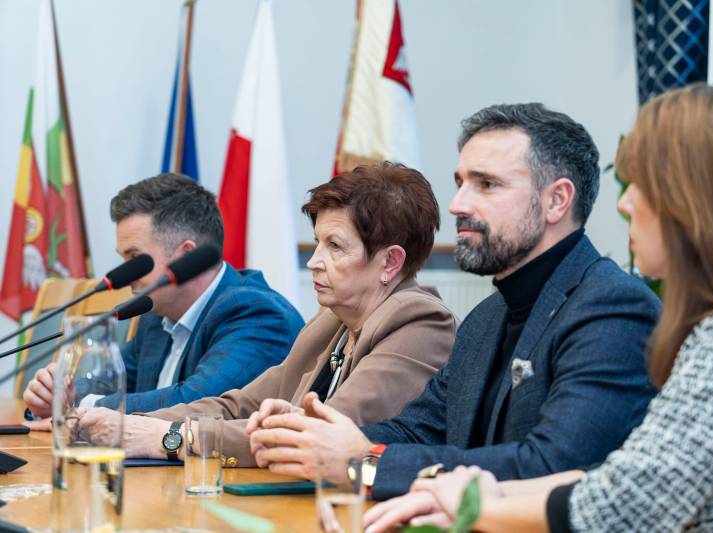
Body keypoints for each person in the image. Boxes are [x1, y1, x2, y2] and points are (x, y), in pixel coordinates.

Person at [363, 85, 713, 532]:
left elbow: (623, 503)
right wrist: (359, 462)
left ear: (702, 202)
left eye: (643, 185)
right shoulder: (486, 318)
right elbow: (606, 477)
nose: (624, 203)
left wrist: (466, 501)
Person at [248, 103, 661, 499]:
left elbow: (551, 466)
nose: (457, 204)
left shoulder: (612, 308)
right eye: (460, 182)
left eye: (487, 184)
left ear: (556, 200)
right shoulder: (487, 317)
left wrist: (364, 463)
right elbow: (418, 430)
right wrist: (314, 436)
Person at [77, 163, 457, 467]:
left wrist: (170, 438)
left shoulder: (420, 322)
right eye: (318, 242)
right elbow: (239, 404)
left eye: (335, 246)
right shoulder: (333, 322)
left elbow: (313, 437)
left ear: (390, 262)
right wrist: (132, 424)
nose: (314, 261)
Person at [23, 173, 304, 417]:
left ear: (187, 256)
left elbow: (195, 404)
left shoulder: (257, 314)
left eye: (135, 259)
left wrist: (78, 406)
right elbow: (112, 383)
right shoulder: (157, 316)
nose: (126, 275)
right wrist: (58, 394)